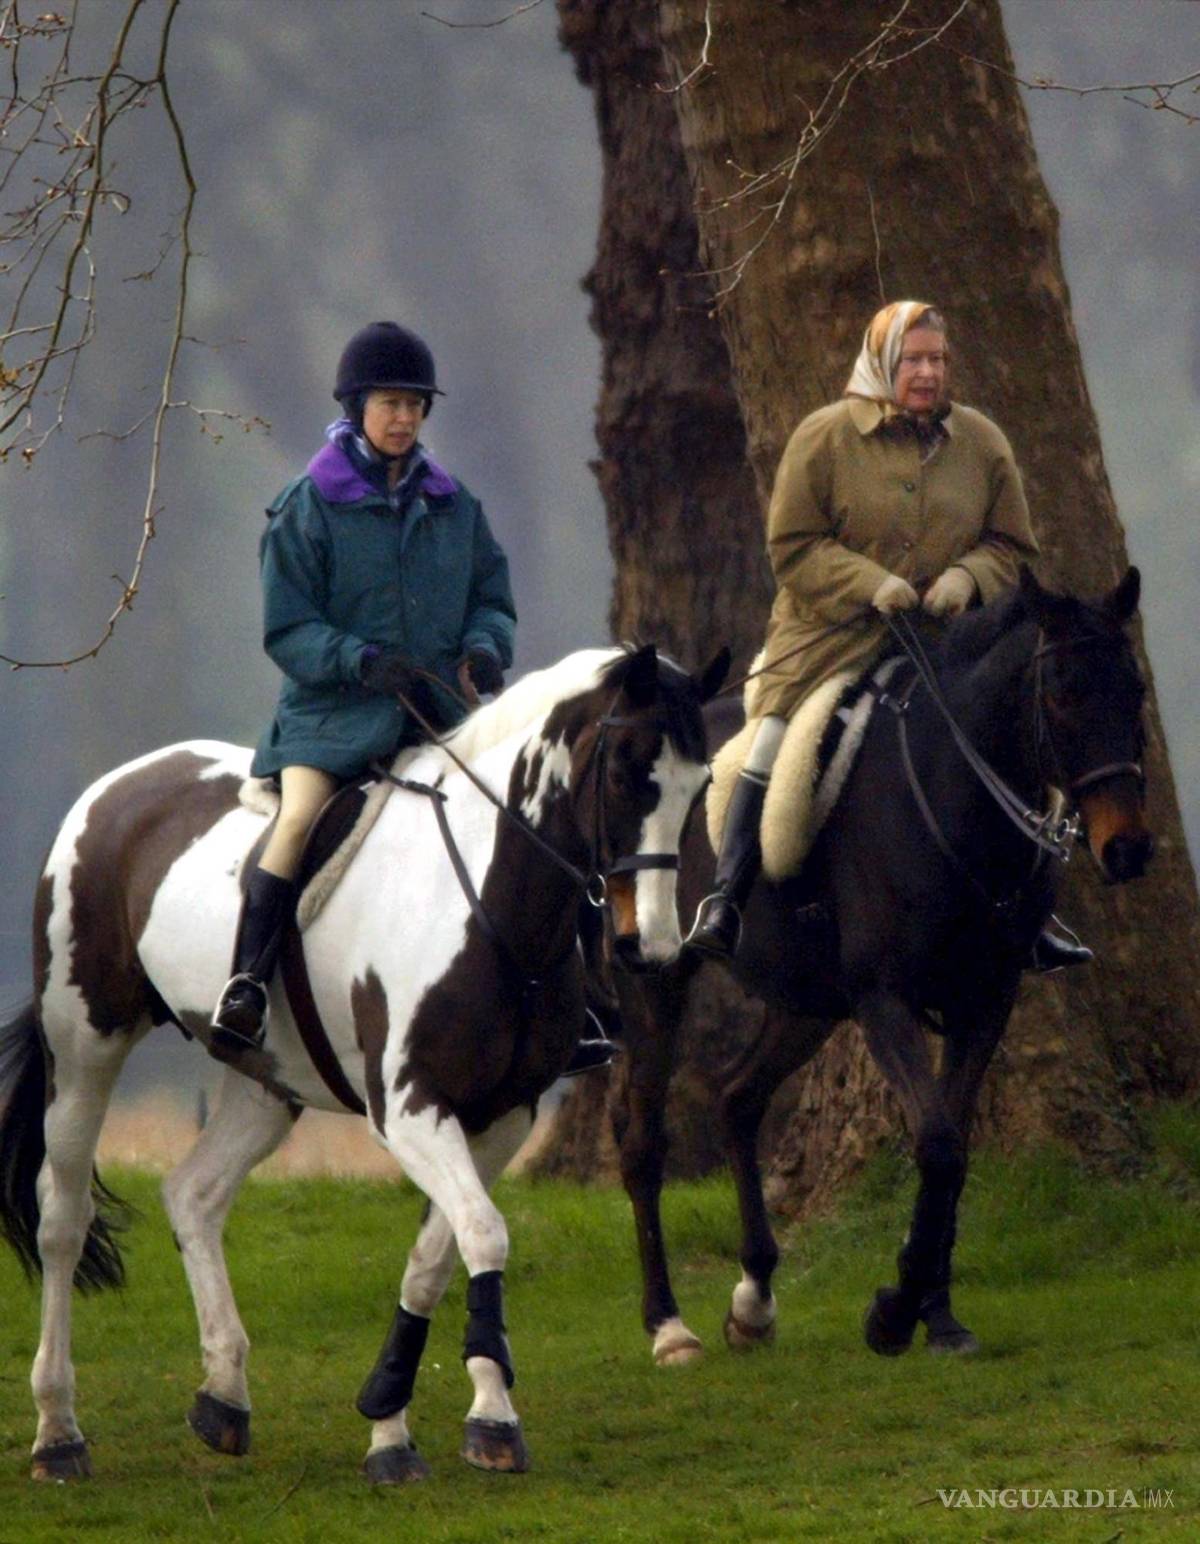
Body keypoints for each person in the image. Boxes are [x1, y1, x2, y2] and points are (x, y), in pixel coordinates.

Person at [687, 299, 1092, 972]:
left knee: (1015, 728)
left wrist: (966, 576)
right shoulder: (823, 437)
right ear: (881, 362)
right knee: (775, 738)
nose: (928, 373)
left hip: (946, 641)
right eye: (913, 360)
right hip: (830, 638)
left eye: (938, 360)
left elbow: (1012, 545)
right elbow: (792, 547)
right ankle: (726, 896)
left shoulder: (983, 442)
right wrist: (869, 582)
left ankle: (1035, 914)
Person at [210, 320, 517, 1054]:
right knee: (296, 820)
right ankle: (246, 984)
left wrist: (486, 647)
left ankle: (575, 1003)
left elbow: (492, 598)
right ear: (356, 408)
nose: (405, 418)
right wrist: (357, 660)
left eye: (415, 405)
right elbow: (287, 629)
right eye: (391, 404)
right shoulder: (306, 506)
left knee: (519, 814)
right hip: (332, 721)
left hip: (436, 715)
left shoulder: (455, 505)